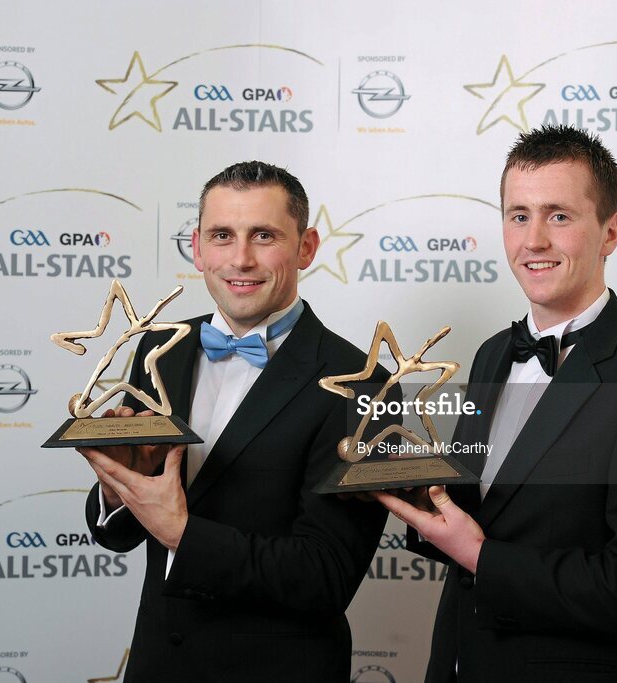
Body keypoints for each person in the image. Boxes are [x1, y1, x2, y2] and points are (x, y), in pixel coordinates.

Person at [377, 125, 617, 682]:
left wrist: (483, 557)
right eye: (518, 215)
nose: (533, 240)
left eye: (559, 216)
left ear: (610, 232)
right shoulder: (491, 355)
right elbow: (481, 509)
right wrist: (408, 485)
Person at [80, 161, 389, 682]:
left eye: (264, 235)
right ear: (198, 248)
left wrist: (182, 532)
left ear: (307, 247)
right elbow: (123, 534)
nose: (240, 258)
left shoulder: (360, 382)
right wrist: (120, 488)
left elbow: (326, 575)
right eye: (222, 236)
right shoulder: (162, 348)